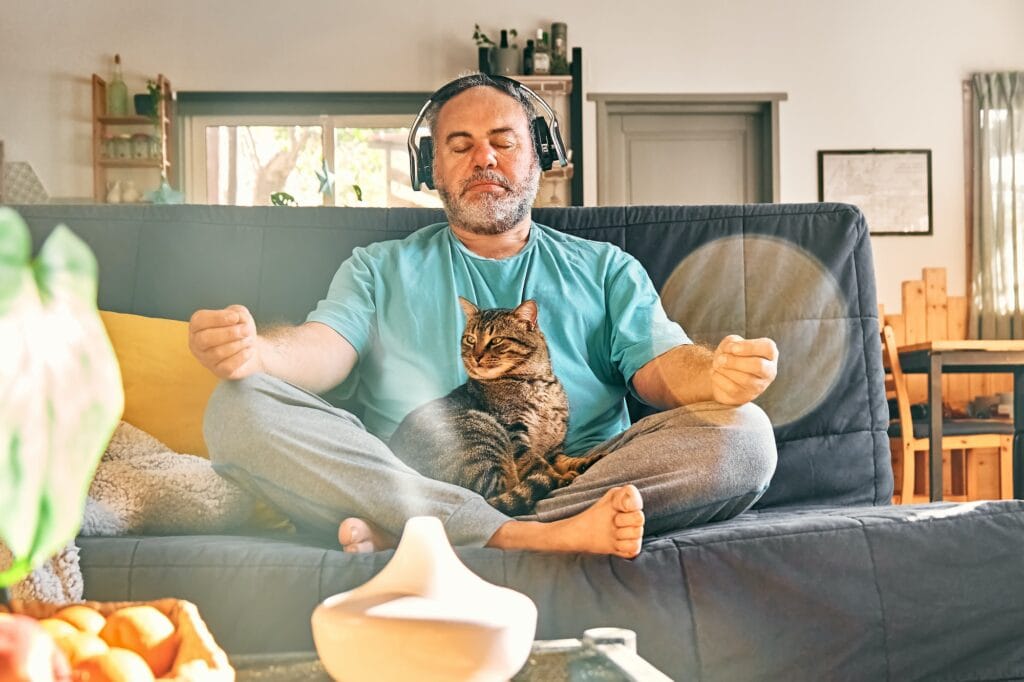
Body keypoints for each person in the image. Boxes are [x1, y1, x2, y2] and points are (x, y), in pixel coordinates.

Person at [189, 73, 779, 559]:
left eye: (504, 140)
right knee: (237, 407)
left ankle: (422, 534)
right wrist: (260, 354)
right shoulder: (376, 267)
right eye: (460, 144)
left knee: (746, 436)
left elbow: (660, 370)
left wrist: (715, 375)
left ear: (539, 157)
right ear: (432, 170)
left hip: (571, 476)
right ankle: (516, 535)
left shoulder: (605, 268)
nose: (484, 158)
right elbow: (325, 345)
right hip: (404, 477)